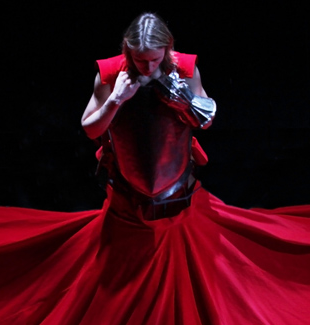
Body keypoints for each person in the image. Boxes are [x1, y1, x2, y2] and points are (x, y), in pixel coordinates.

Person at [81, 13, 216, 222]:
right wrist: (115, 99)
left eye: (155, 59)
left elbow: (206, 123)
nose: (149, 67)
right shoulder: (111, 72)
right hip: (125, 181)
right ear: (128, 50)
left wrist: (185, 101)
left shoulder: (184, 69)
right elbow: (90, 130)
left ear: (167, 48)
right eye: (140, 60)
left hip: (175, 178)